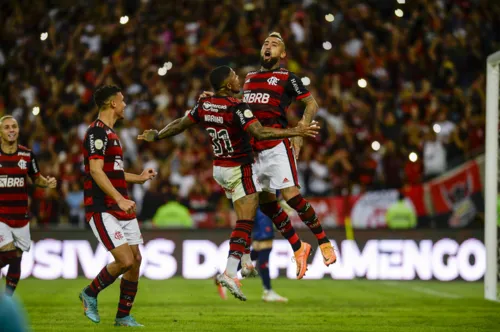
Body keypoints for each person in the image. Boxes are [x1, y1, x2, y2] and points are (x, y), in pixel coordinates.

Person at [138, 66, 319, 300]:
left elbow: (181, 124)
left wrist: (159, 134)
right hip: (238, 167)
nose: (239, 79)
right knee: (246, 219)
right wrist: (294, 131)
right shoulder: (237, 108)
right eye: (234, 77)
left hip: (219, 169)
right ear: (227, 84)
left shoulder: (205, 105)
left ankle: (246, 262)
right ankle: (230, 272)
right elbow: (260, 133)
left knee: (259, 204)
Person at [201, 32, 336, 279]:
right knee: (266, 203)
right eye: (265, 43)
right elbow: (240, 103)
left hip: (275, 145)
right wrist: (216, 97)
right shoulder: (250, 78)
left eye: (274, 45)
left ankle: (323, 241)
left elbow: (312, 104)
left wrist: (299, 132)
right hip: (253, 148)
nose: (268, 46)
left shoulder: (287, 77)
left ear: (282, 54)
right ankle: (298, 247)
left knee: (291, 196)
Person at [79, 85, 156, 327]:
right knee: (125, 260)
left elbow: (114, 172)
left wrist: (139, 177)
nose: (124, 105)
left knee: (136, 259)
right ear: (112, 103)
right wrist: (121, 199)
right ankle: (89, 293)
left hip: (120, 206)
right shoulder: (97, 133)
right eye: (122, 101)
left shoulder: (111, 134)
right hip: (103, 207)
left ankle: (123, 316)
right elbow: (95, 171)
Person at [0, 115, 57, 296]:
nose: (11, 130)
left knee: (17, 259)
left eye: (14, 127)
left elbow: (36, 178)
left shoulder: (27, 154)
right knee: (8, 253)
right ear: (0, 132)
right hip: (1, 216)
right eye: (7, 127)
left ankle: (7, 301)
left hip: (21, 217)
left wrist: (46, 183)